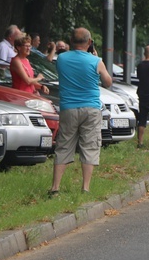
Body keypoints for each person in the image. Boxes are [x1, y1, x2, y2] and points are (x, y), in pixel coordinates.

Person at [48, 28, 112, 195]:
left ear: (70, 41)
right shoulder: (96, 61)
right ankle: (85, 188)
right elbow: (108, 82)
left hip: (68, 108)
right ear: (89, 42)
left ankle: (55, 188)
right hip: (91, 108)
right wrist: (96, 58)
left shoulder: (61, 58)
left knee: (63, 145)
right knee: (89, 146)